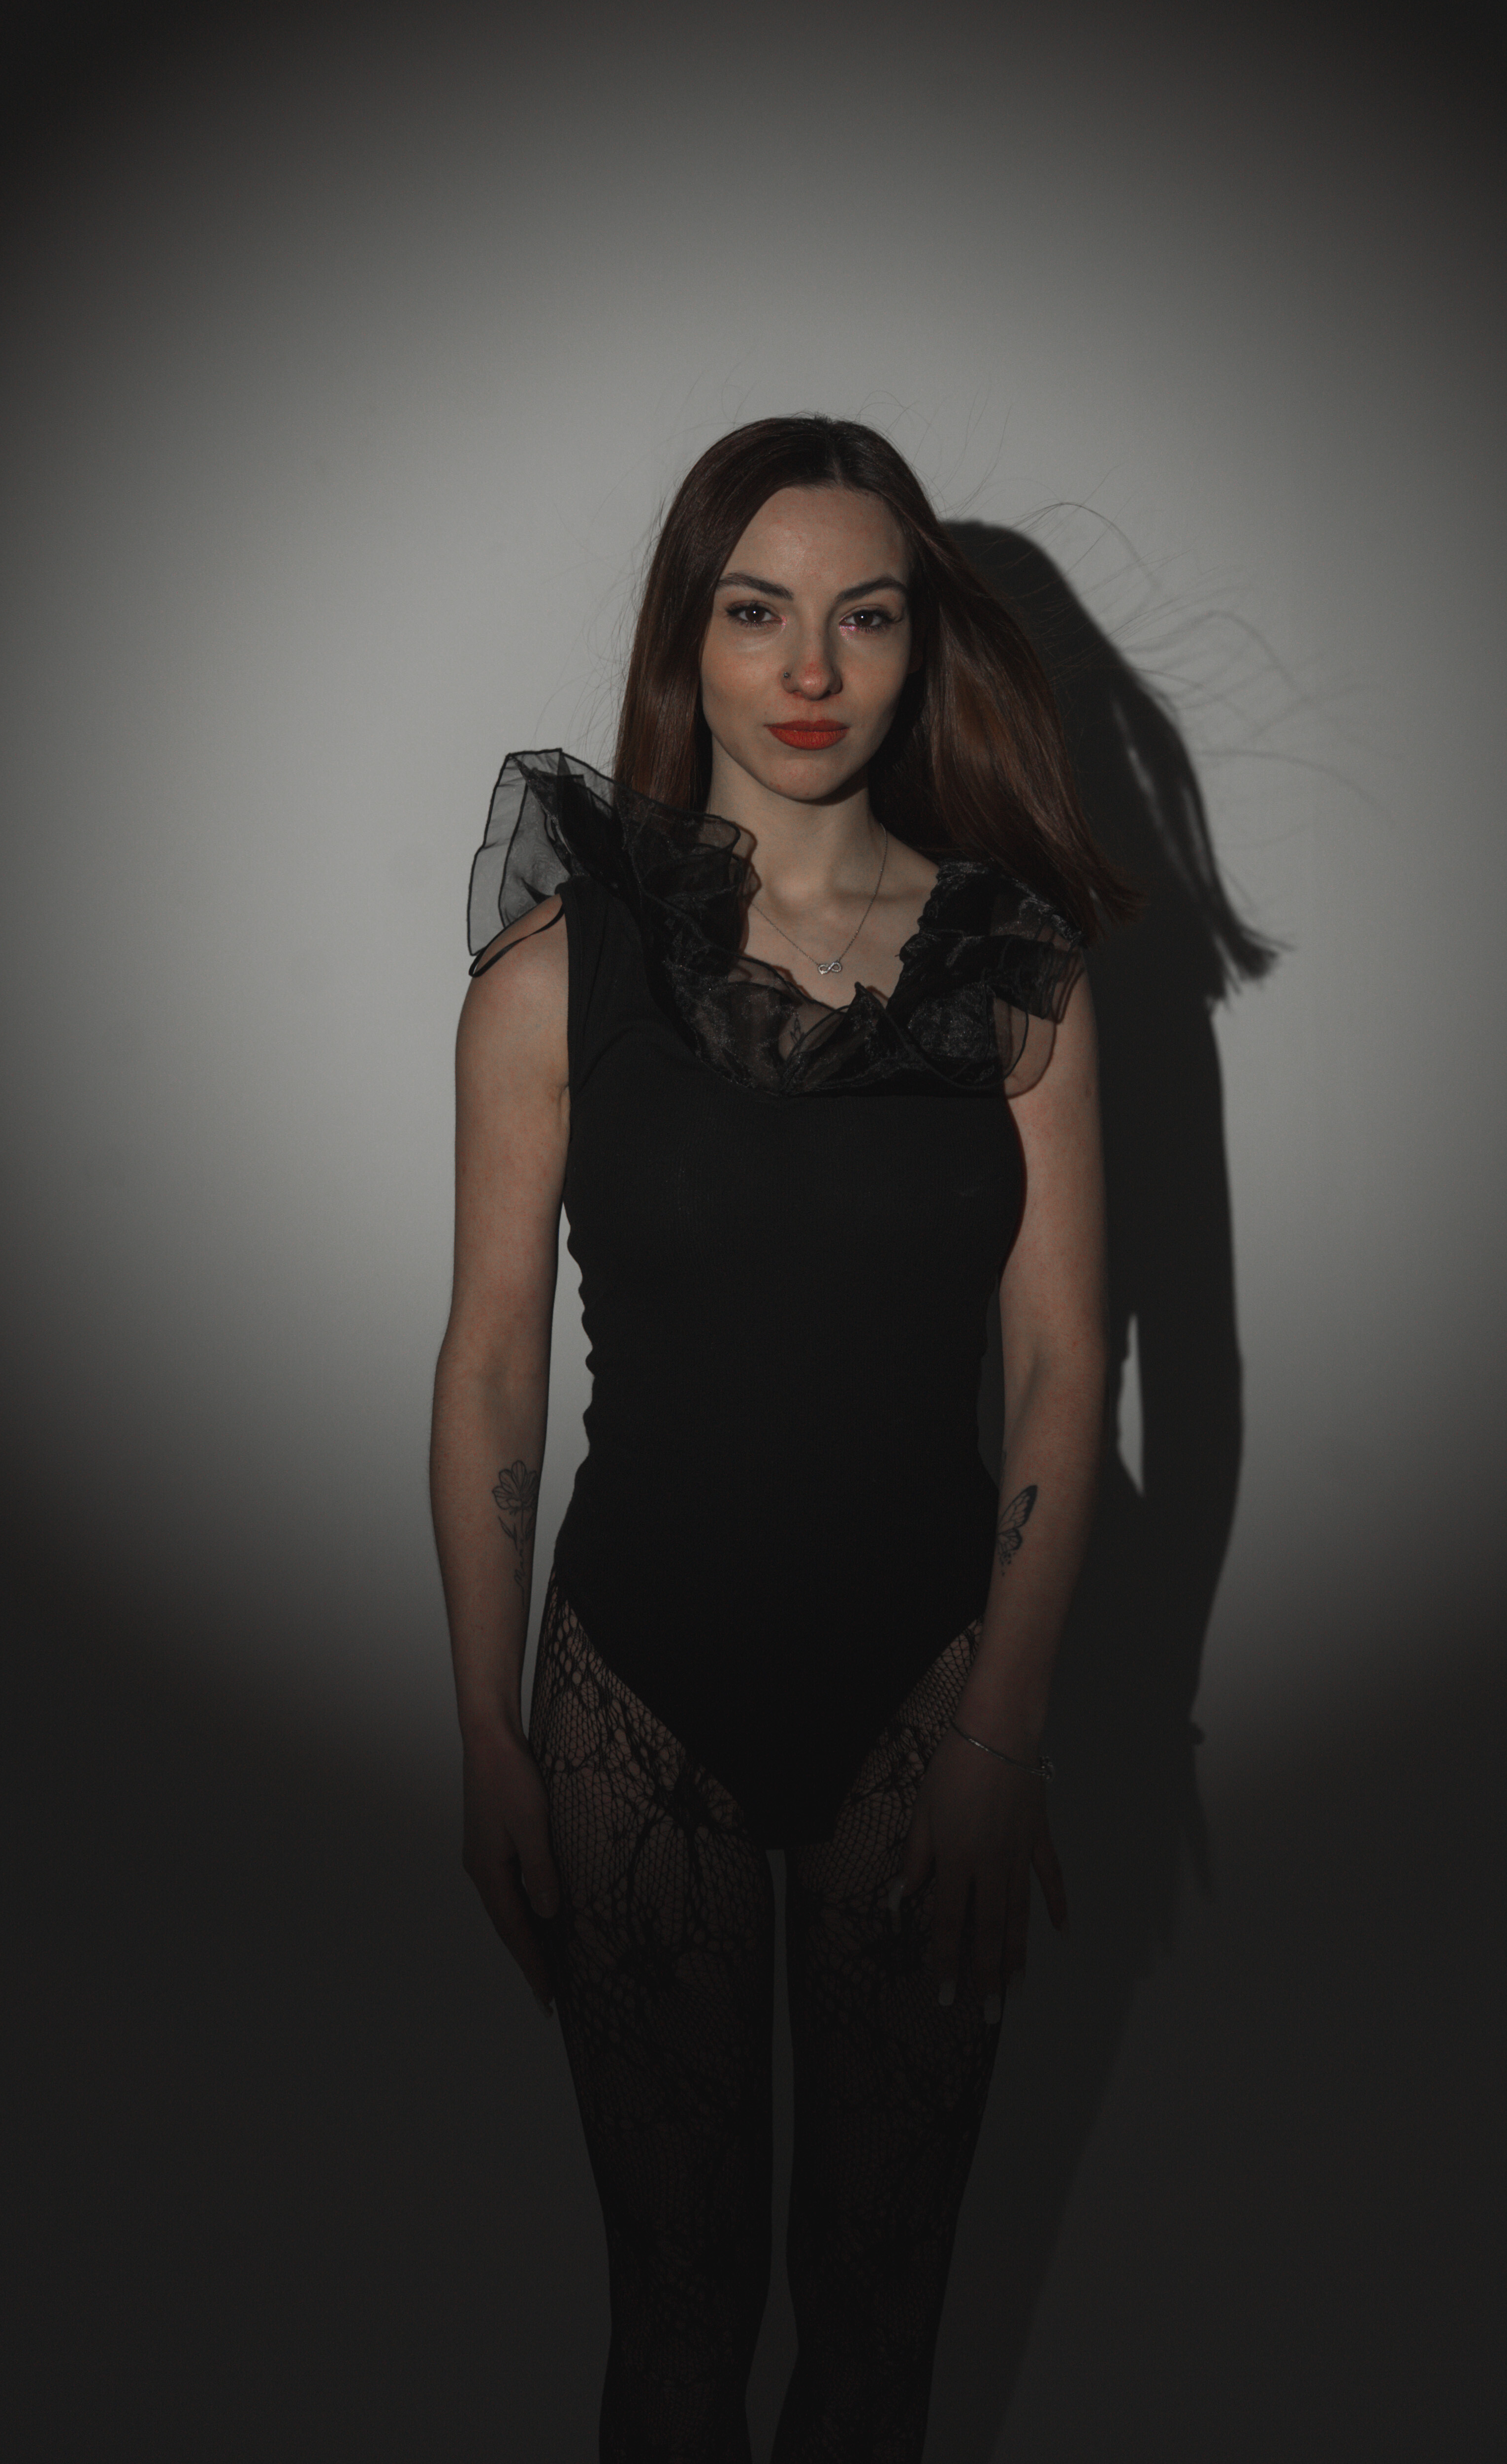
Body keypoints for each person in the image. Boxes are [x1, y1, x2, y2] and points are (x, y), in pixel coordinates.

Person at [429, 414, 1140, 2463]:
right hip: (630, 1698)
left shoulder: (1017, 973)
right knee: (677, 2318)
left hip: (930, 1701)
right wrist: (483, 1726)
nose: (811, 670)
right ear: (691, 641)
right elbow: (488, 1366)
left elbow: (1064, 1365)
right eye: (758, 614)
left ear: (922, 650)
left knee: (880, 2322)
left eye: (866, 618)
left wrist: (1005, 1730)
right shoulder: (556, 975)